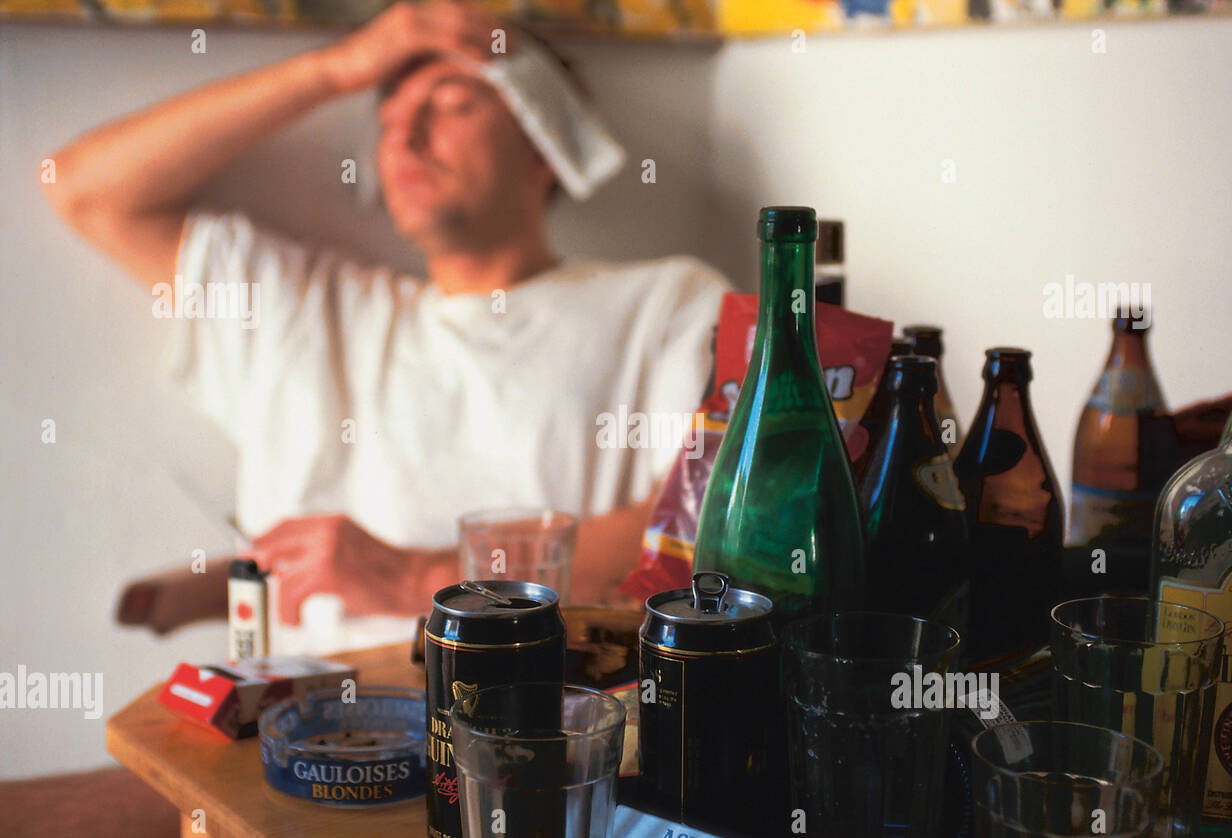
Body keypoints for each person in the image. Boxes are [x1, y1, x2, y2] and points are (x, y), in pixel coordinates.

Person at [46, 2, 728, 641]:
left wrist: (418, 580)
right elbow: (86, 189)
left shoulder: (666, 307)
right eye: (389, 113)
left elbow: (701, 532)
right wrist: (337, 68)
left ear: (545, 143)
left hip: (543, 734)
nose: (407, 132)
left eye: (455, 104)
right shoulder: (307, 311)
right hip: (302, 741)